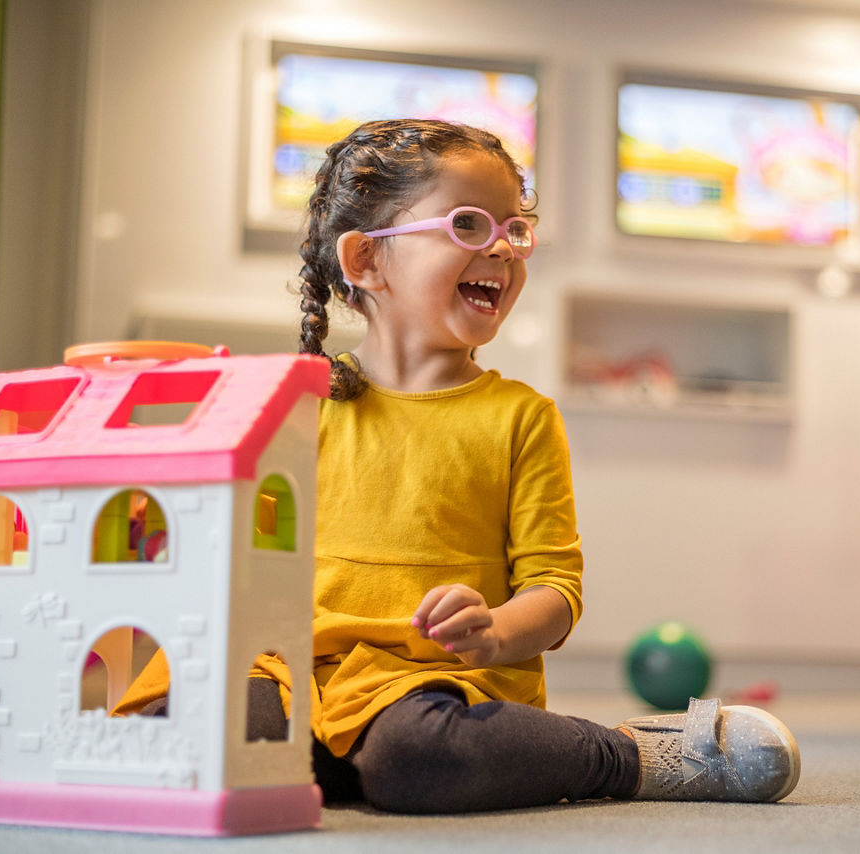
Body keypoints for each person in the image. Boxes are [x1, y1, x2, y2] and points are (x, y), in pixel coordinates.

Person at [114, 118, 800, 813]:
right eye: (468, 225)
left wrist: (496, 630)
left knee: (418, 756)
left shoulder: (520, 418)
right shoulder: (298, 406)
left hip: (433, 687)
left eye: (516, 228)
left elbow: (555, 591)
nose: (502, 248)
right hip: (289, 667)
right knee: (173, 731)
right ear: (366, 262)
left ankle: (629, 753)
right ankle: (343, 764)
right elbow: (241, 546)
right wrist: (161, 523)